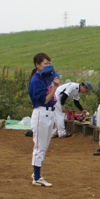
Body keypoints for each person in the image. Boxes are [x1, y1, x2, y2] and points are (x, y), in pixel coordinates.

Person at [28, 53, 59, 186]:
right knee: (39, 146)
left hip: (49, 113)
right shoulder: (36, 80)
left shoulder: (45, 78)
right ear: (37, 65)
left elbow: (52, 100)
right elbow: (44, 100)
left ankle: (37, 173)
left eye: (48, 63)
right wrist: (55, 87)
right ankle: (37, 178)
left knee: (44, 146)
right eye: (45, 63)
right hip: (41, 112)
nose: (48, 65)